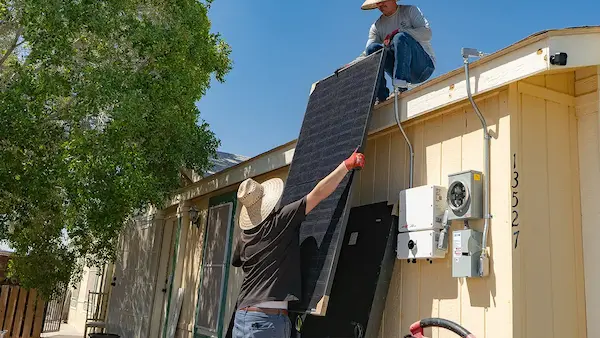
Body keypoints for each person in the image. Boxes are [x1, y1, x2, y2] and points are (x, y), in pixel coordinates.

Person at [230, 149, 366, 338]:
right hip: (266, 322)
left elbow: (236, 260)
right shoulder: (279, 222)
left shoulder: (244, 238)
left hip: (242, 317)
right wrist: (347, 165)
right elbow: (318, 194)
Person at [358, 0, 436, 104]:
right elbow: (367, 54)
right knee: (372, 49)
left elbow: (427, 34)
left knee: (400, 37)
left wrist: (401, 31)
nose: (380, 5)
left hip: (423, 67)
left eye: (383, 1)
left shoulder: (409, 11)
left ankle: (400, 87)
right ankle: (380, 96)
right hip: (403, 70)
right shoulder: (377, 26)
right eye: (378, 3)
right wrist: (350, 65)